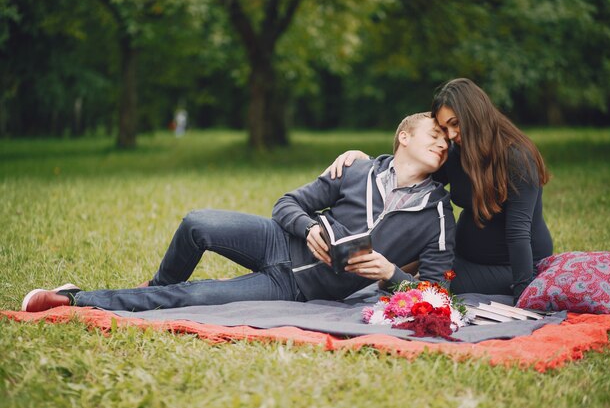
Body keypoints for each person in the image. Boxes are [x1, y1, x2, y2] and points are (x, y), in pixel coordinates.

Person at [22, 113, 455, 313]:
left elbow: (436, 294)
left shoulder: (437, 214)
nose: (442, 143)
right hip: (278, 239)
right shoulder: (356, 168)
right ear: (403, 135)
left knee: (194, 298)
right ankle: (155, 290)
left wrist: (388, 272)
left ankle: (73, 298)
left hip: (293, 288)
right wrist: (306, 230)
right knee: (197, 223)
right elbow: (287, 203)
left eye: (446, 142)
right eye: (434, 134)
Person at [326, 78, 553, 303]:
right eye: (445, 128)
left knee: (432, 289)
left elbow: (518, 234)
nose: (451, 135)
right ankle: (332, 274)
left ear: (475, 114)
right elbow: (410, 176)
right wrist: (367, 163)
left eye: (455, 124)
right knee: (393, 268)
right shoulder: (457, 155)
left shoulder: (517, 158)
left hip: (511, 265)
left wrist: (525, 297)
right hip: (459, 255)